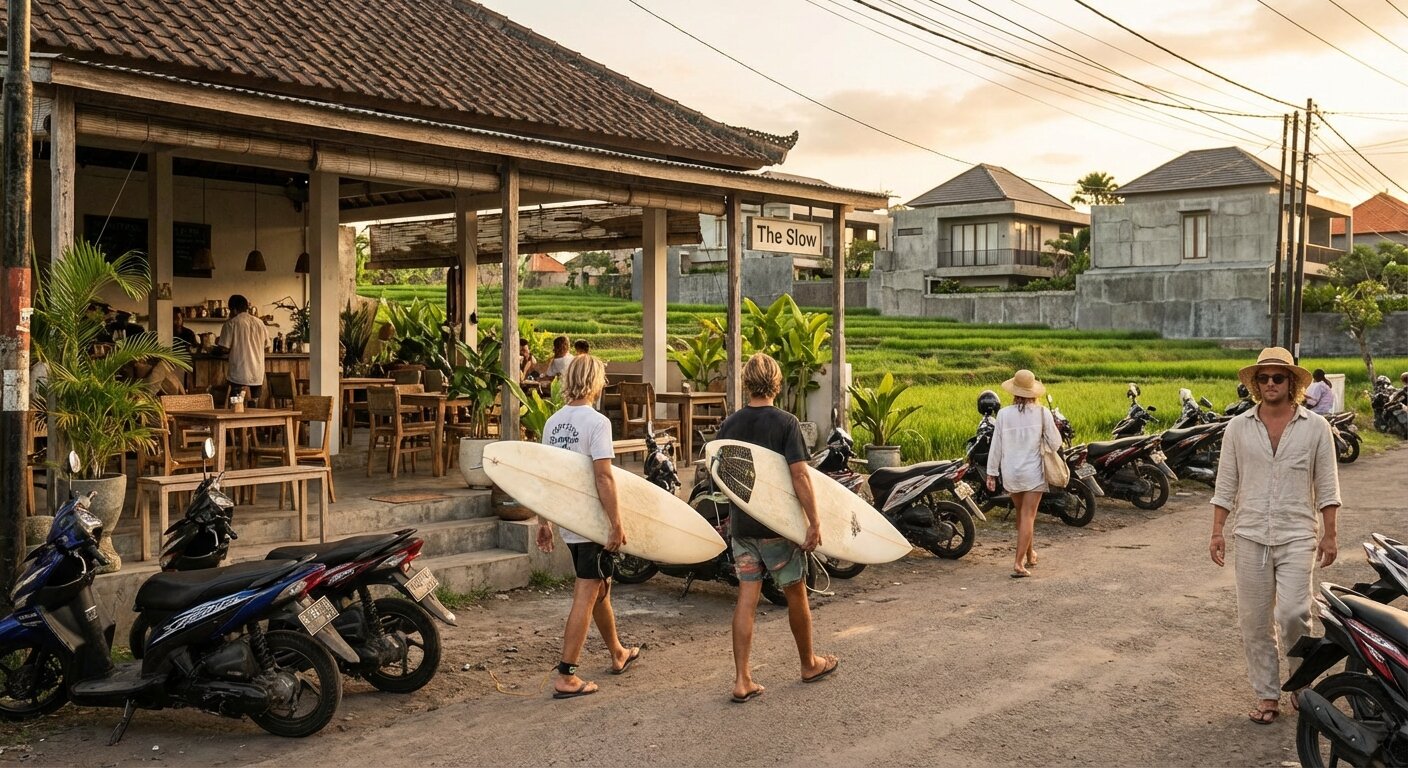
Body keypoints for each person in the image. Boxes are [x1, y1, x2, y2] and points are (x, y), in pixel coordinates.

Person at [1209, 346, 1340, 726]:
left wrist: (1329, 535)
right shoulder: (1238, 427)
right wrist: (1217, 531)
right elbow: (1226, 483)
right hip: (1250, 535)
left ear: (1291, 384)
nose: (1270, 383)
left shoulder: (1316, 428)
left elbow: (1327, 486)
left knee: (1294, 613)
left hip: (1298, 533)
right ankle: (1267, 695)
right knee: (1253, 622)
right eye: (1263, 378)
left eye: (1277, 378)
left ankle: (1300, 684)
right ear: (1255, 384)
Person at [719, 352, 837, 704]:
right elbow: (799, 474)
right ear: (776, 382)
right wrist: (813, 521)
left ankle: (742, 679)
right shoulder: (786, 423)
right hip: (776, 528)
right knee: (795, 591)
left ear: (746, 382)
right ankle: (809, 663)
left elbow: (724, 474)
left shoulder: (731, 424)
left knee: (747, 597)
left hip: (743, 525)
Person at [535, 354, 641, 699]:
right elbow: (604, 477)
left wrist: (545, 521)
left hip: (569, 520)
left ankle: (617, 652)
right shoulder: (597, 422)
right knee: (586, 592)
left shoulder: (553, 423)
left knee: (598, 588)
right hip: (592, 523)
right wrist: (616, 522)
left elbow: (547, 477)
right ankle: (567, 675)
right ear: (596, 382)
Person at [984, 369, 1062, 578]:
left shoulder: (1003, 414)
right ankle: (1018, 564)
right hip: (1033, 472)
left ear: (1014, 391)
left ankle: (1030, 555)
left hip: (1011, 473)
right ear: (1033, 392)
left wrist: (991, 474)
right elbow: (1056, 443)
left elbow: (996, 446)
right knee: (1028, 516)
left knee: (1022, 515)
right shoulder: (1042, 412)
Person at [215, 294, 268, 403]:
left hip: (239, 372)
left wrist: (212, 350)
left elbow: (224, 348)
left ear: (233, 310)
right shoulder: (260, 323)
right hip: (257, 372)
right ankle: (253, 418)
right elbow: (267, 346)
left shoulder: (231, 324)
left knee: (236, 404)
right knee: (254, 402)